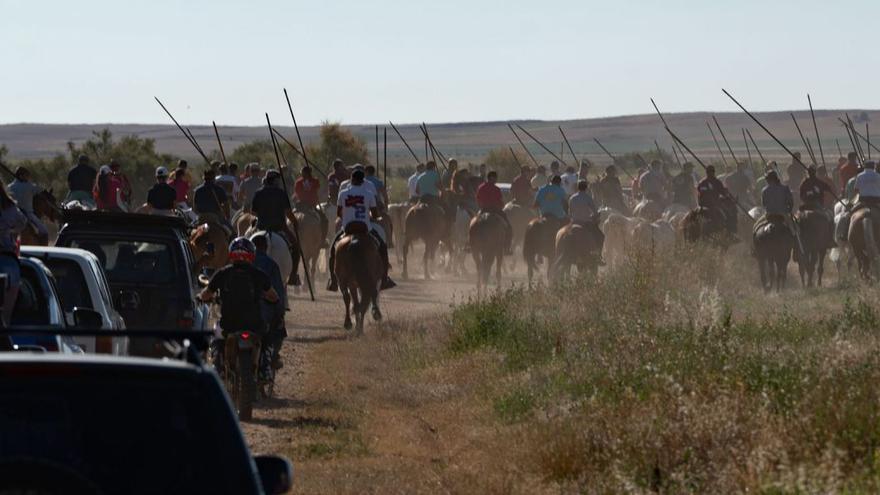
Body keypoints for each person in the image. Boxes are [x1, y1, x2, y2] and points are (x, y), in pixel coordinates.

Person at [326, 168, 396, 291]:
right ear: (363, 181)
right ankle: (385, 278)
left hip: (347, 229)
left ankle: (333, 280)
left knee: (333, 251)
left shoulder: (343, 193)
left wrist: (348, 216)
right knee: (383, 248)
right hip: (365, 228)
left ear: (351, 180)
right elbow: (374, 215)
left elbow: (339, 213)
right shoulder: (368, 193)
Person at [199, 237, 279, 341]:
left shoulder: (222, 273)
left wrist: (200, 297)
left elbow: (205, 295)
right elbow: (274, 297)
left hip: (228, 325)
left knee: (216, 339)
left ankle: (216, 356)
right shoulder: (259, 274)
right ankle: (267, 356)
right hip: (254, 325)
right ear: (251, 255)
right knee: (267, 339)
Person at [252, 170, 302, 286]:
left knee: (246, 243)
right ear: (275, 181)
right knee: (296, 247)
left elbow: (253, 212)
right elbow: (289, 213)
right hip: (280, 228)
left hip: (261, 229)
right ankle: (293, 276)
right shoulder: (281, 193)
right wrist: (294, 222)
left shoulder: (258, 193)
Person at [252, 233, 286, 373]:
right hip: (264, 313)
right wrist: (280, 312)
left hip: (241, 310)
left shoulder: (240, 264)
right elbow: (278, 292)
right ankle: (273, 357)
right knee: (279, 331)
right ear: (266, 248)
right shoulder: (272, 265)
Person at [0, 183, 26, 328]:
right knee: (6, 317)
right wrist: (11, 231)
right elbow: (23, 222)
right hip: (9, 260)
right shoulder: (11, 208)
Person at [475, 171, 513, 255]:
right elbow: (500, 201)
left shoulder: (481, 187)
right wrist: (501, 206)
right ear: (492, 178)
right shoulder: (496, 189)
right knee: (508, 227)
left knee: (473, 224)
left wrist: (482, 207)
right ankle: (507, 247)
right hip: (495, 210)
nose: (496, 180)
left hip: (483, 210)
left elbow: (478, 199)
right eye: (495, 178)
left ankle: (469, 244)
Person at [7, 167, 48, 244]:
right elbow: (41, 189)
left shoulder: (9, 187)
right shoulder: (30, 186)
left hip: (13, 213)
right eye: (27, 176)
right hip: (28, 214)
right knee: (44, 231)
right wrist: (30, 183)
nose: (28, 178)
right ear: (21, 176)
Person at [569, 180, 605, 259]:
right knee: (601, 236)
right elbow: (595, 212)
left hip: (574, 222)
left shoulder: (572, 198)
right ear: (586, 188)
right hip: (586, 223)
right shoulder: (588, 198)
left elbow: (570, 212)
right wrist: (594, 215)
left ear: (578, 187)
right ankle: (598, 255)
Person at [698, 165, 737, 236]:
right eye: (711, 172)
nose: (712, 173)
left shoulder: (702, 182)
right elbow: (723, 193)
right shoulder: (715, 182)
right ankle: (730, 233)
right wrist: (726, 193)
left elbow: (699, 194)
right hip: (712, 206)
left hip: (703, 206)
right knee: (728, 214)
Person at [294, 166, 329, 243]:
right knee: (324, 220)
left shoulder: (298, 182)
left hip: (301, 206)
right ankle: (323, 240)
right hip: (310, 205)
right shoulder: (315, 181)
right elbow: (317, 188)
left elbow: (297, 193)